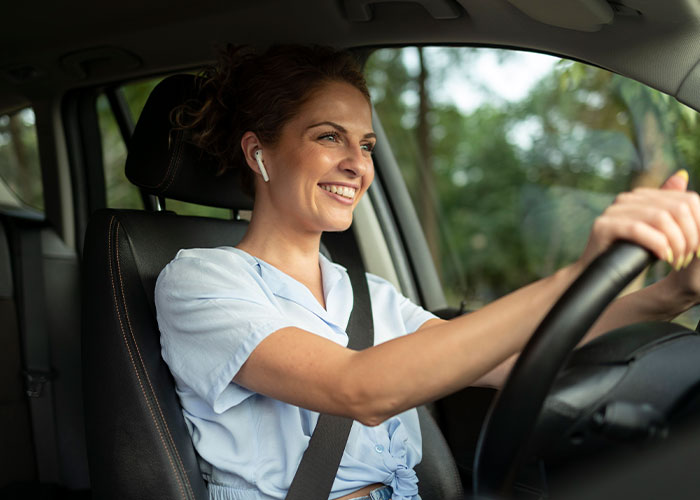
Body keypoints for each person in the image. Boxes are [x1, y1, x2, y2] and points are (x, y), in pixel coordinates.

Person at [154, 45, 700, 500]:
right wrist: (575, 274)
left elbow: (510, 360)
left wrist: (669, 295)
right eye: (328, 137)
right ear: (259, 153)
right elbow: (359, 388)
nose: (358, 164)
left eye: (365, 144)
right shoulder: (200, 283)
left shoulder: (367, 294)